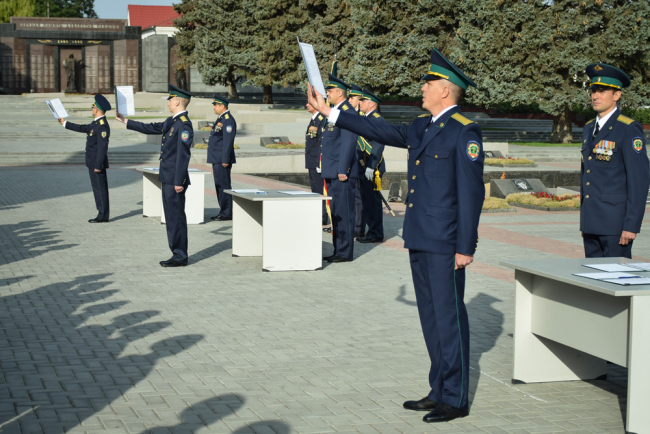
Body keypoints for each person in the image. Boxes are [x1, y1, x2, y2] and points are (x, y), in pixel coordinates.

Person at [308, 48, 484, 423]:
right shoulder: (422, 125)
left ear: (445, 90)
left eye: (429, 82)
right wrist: (331, 112)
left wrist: (465, 247)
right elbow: (380, 130)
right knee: (430, 318)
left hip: (446, 242)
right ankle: (438, 389)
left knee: (449, 318)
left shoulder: (463, 131)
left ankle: (455, 398)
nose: (422, 87)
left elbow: (472, 195)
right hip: (419, 236)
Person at [115, 84, 194, 267]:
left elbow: (183, 156)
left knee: (176, 218)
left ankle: (180, 256)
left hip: (174, 179)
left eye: (170, 100)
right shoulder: (172, 121)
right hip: (167, 177)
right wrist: (125, 121)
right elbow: (150, 127)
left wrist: (179, 181)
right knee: (171, 218)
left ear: (177, 101)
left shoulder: (184, 125)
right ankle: (177, 253)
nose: (168, 103)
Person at [581, 63, 650, 258]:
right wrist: (585, 221)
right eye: (593, 91)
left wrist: (631, 225)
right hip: (591, 223)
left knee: (617, 275)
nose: (595, 96)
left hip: (616, 226)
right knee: (592, 275)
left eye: (602, 91)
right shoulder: (588, 128)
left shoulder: (628, 128)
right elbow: (587, 176)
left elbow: (639, 180)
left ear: (616, 95)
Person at [321, 73, 359, 263]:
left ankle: (344, 252)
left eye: (330, 91)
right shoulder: (336, 111)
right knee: (336, 212)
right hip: (333, 169)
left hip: (341, 172)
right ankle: (338, 249)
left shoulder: (347, 113)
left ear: (340, 92)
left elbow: (348, 143)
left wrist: (343, 169)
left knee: (344, 212)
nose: (327, 93)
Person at [59, 94, 111, 223]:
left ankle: (103, 215)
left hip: (97, 164)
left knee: (100, 189)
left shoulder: (102, 126)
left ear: (97, 109)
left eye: (93, 107)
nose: (92, 109)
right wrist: (65, 123)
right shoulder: (96, 123)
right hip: (92, 163)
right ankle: (102, 214)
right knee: (97, 189)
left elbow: (102, 148)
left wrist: (98, 166)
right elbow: (82, 128)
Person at [356, 87, 386, 243]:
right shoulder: (366, 118)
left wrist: (371, 166)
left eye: (363, 101)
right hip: (363, 165)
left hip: (371, 167)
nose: (360, 103)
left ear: (372, 104)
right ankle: (371, 230)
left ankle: (376, 233)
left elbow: (378, 144)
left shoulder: (377, 119)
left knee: (372, 202)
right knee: (366, 201)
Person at [207, 95, 237, 221]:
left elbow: (228, 141)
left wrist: (225, 159)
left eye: (215, 105)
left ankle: (227, 213)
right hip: (217, 158)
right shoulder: (221, 119)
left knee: (224, 186)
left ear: (222, 106)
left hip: (221, 159)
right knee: (219, 185)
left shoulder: (228, 120)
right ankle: (223, 211)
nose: (214, 107)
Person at [305, 102, 329, 225]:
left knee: (319, 190)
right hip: (311, 160)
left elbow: (321, 142)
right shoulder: (314, 119)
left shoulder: (321, 119)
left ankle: (323, 216)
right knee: (314, 190)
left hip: (316, 161)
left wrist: (320, 161)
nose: (307, 105)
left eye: (309, 103)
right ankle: (317, 214)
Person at [348, 83, 366, 238]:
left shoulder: (361, 118)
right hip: (352, 161)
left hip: (361, 161)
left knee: (359, 197)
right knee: (353, 196)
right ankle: (353, 224)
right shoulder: (350, 115)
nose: (349, 100)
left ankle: (359, 227)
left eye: (352, 97)